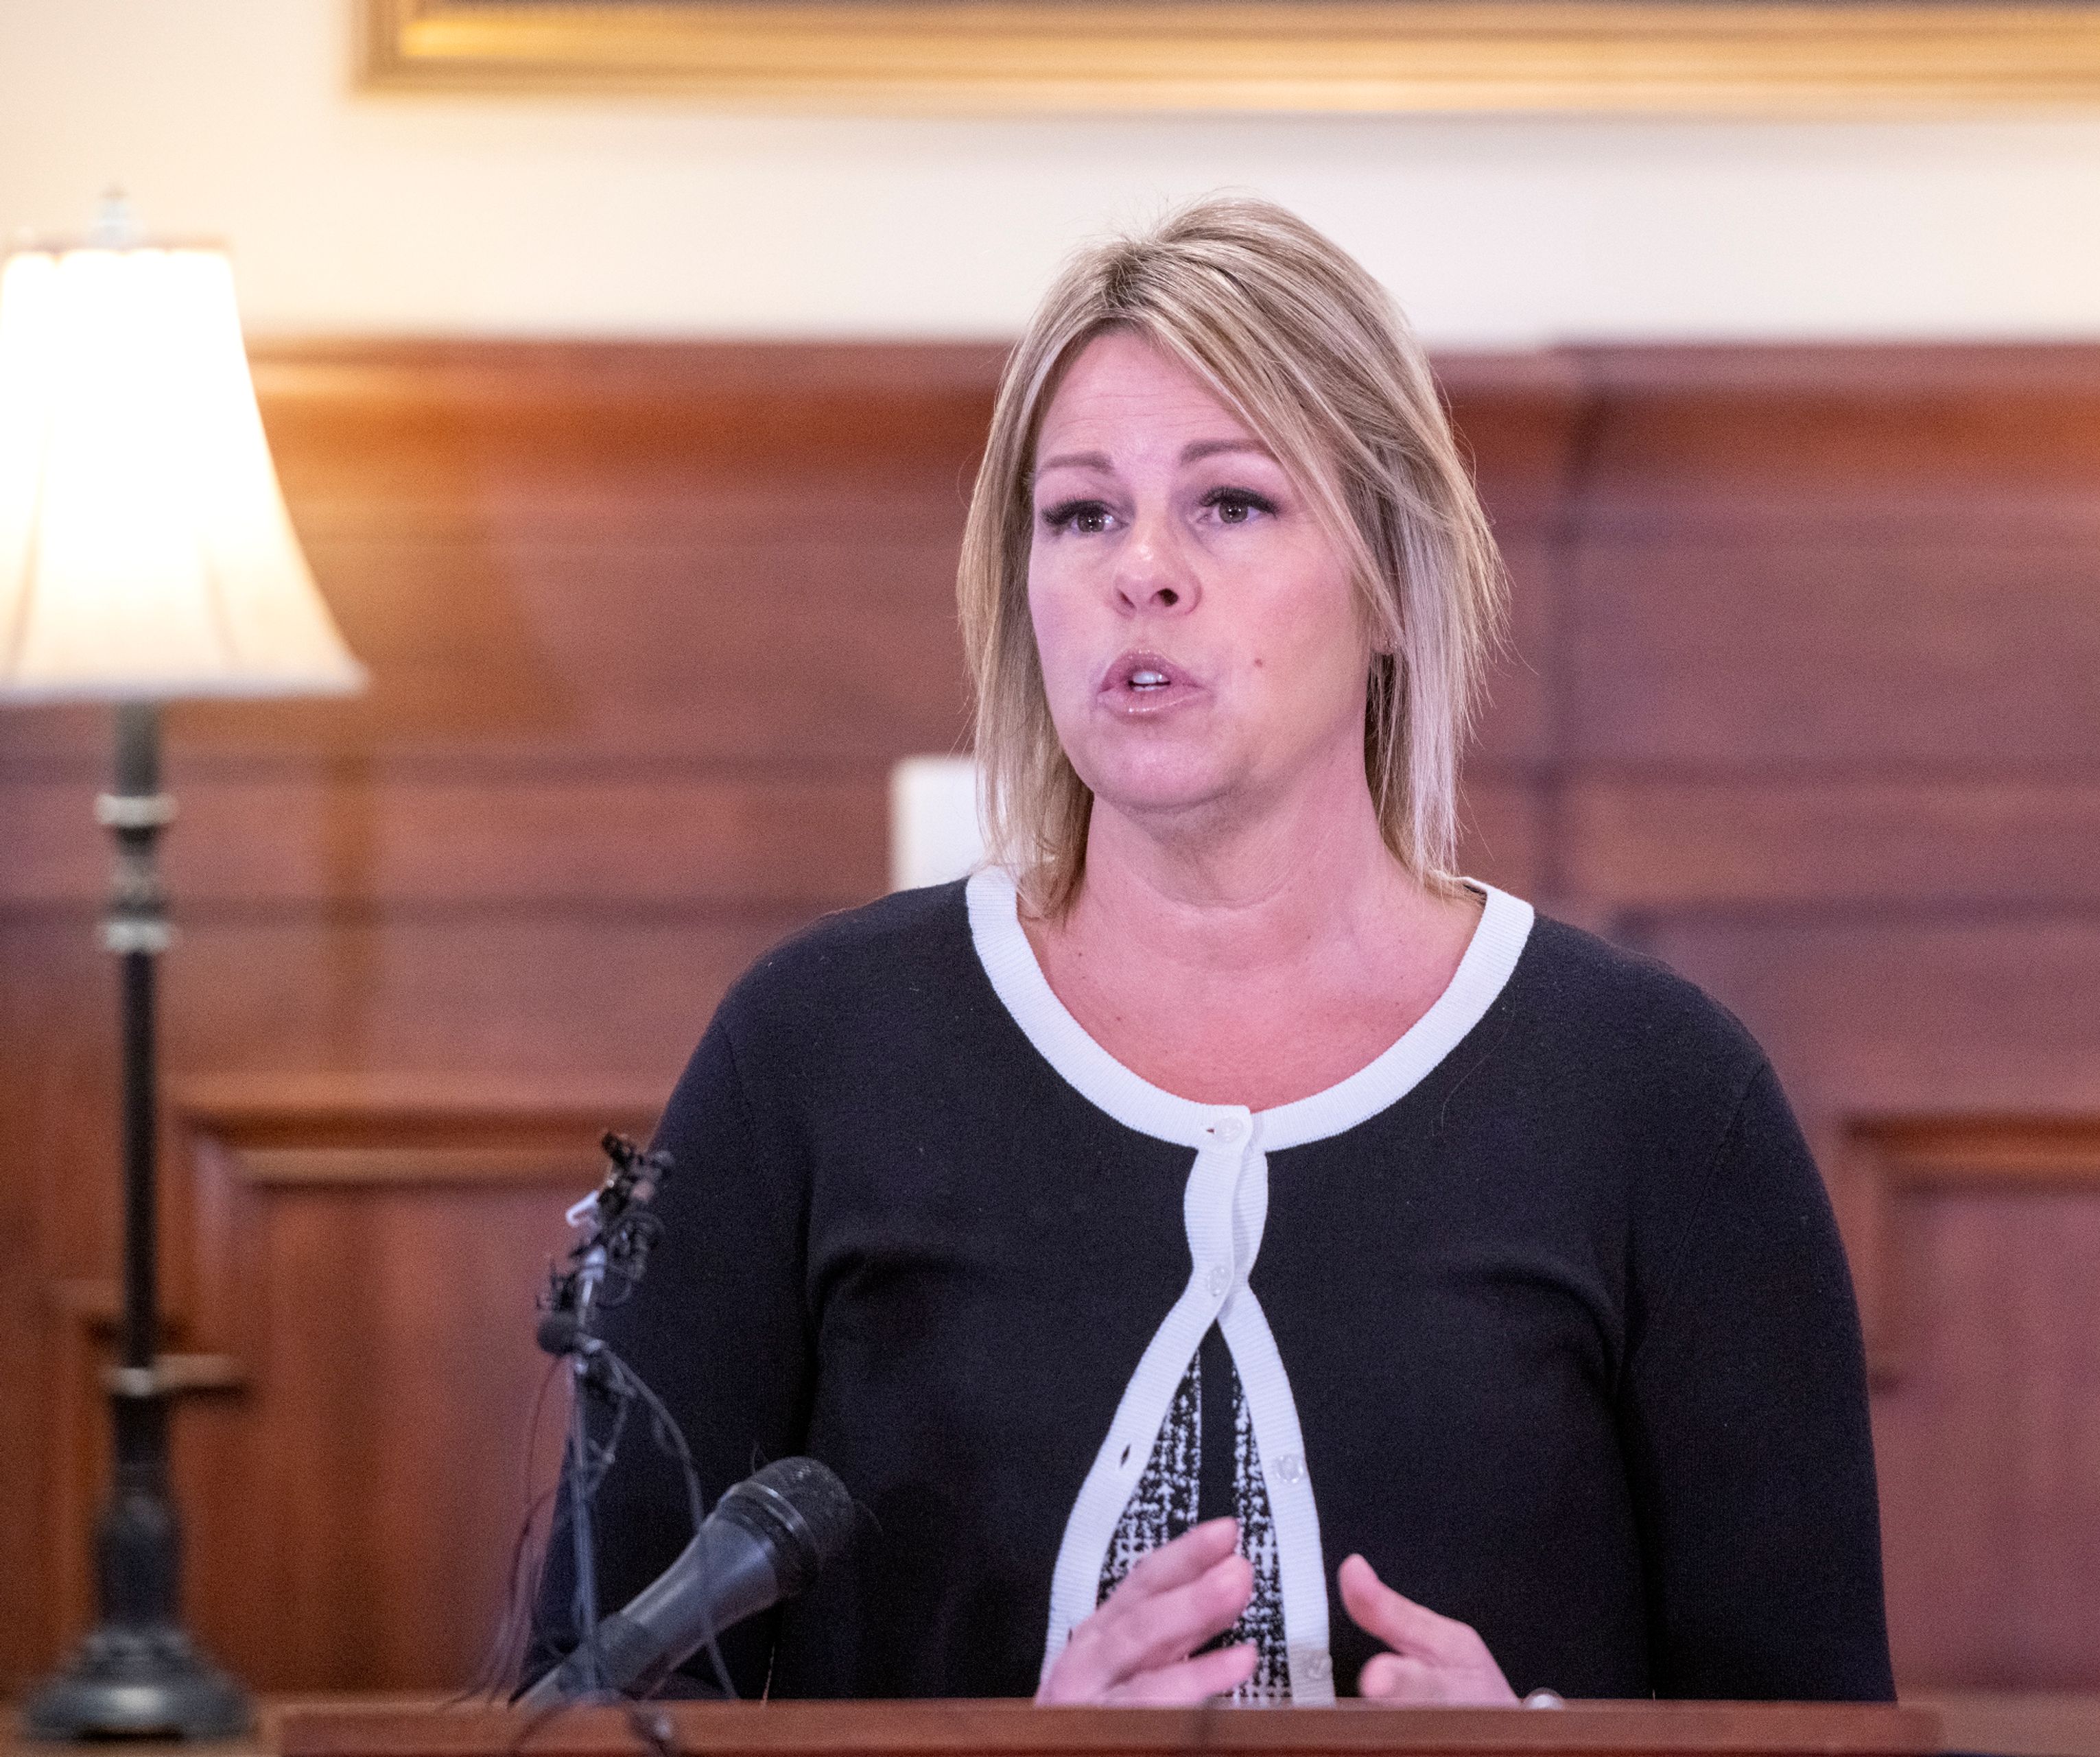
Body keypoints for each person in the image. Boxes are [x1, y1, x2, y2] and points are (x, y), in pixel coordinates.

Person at [526, 193, 1891, 1708]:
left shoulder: (1658, 1096)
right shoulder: (814, 1053)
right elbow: (590, 1716)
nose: (1144, 570)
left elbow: (1819, 1727)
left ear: (1389, 576)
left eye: (1231, 504)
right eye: (1083, 513)